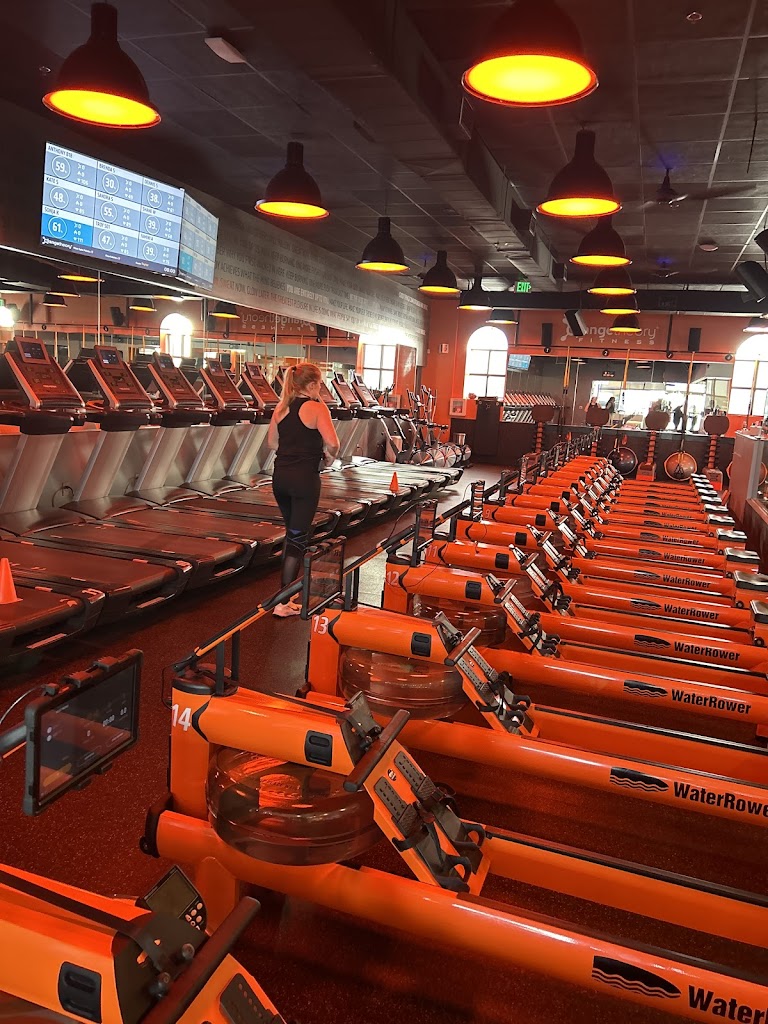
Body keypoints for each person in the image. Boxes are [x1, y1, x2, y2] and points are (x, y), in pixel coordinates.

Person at [267, 362, 340, 617]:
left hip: (280, 478)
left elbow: (272, 443)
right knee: (298, 538)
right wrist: (330, 456)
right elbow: (333, 442)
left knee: (292, 535)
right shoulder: (317, 408)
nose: (321, 388)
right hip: (304, 480)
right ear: (311, 385)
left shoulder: (281, 408)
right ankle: (283, 603)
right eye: (319, 384)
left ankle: (287, 593)